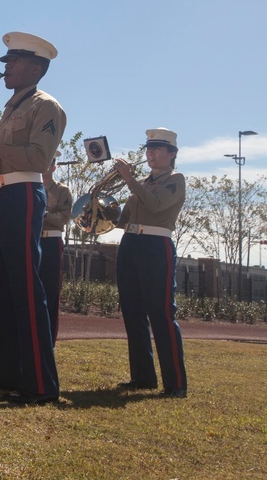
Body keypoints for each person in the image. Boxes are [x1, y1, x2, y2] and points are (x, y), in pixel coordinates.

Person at [0, 31, 64, 405]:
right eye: (6, 61)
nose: (6, 68)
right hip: (0, 196)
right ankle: (5, 372)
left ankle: (40, 383)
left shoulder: (45, 106)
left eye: (14, 61)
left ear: (36, 66)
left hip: (22, 196)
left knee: (24, 289)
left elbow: (37, 159)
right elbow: (9, 154)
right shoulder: (13, 107)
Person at [113, 128, 187, 398]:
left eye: (157, 149)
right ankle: (142, 377)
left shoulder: (175, 180)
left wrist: (129, 179)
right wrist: (99, 211)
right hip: (130, 244)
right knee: (132, 312)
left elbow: (155, 206)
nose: (150, 154)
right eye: (148, 149)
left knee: (162, 313)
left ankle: (176, 383)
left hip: (156, 247)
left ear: (171, 154)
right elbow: (123, 219)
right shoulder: (142, 181)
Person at [41, 153, 72, 347]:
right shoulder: (30, 187)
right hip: (32, 240)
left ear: (54, 166)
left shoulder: (62, 191)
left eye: (48, 162)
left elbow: (64, 218)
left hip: (51, 243)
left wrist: (41, 212)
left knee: (50, 293)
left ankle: (48, 342)